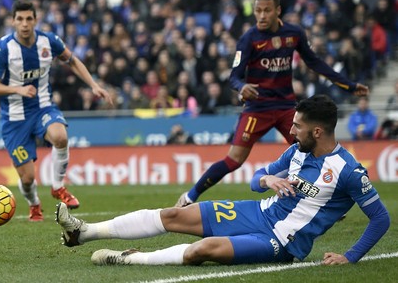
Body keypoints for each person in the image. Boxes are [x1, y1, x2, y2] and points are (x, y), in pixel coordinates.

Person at [57, 95, 389, 266]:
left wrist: (351, 255)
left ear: (318, 131)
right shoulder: (296, 153)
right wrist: (269, 180)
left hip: (281, 242)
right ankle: (86, 232)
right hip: (257, 212)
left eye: (297, 126)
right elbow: (256, 179)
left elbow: (380, 218)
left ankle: (129, 258)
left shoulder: (347, 170)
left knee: (203, 250)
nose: (291, 129)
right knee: (174, 215)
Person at [175, 0, 370, 207]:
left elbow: (315, 63)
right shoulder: (248, 39)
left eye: (267, 10)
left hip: (287, 107)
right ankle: (190, 196)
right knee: (235, 159)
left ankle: (328, 198)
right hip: (257, 108)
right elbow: (234, 77)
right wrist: (242, 87)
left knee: (314, 150)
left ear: (278, 10)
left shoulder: (294, 34)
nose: (262, 15)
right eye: (258, 11)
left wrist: (349, 85)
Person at [0, 0, 111, 221]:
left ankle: (58, 187)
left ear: (36, 20)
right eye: (20, 19)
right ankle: (34, 204)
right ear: (13, 21)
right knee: (26, 178)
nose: (25, 24)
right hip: (14, 118)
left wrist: (93, 85)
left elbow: (72, 60)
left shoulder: (48, 41)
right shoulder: (3, 48)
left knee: (60, 136)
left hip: (42, 106)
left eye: (29, 19)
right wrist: (19, 90)